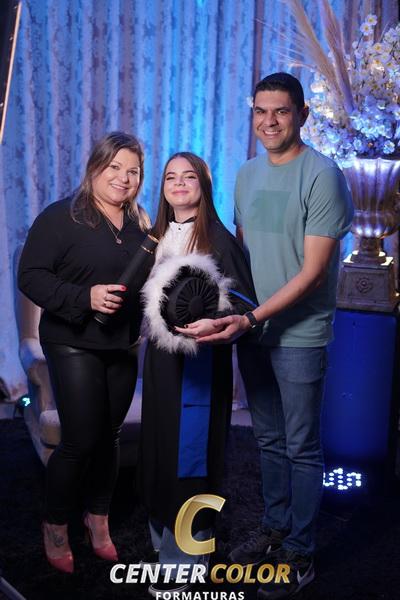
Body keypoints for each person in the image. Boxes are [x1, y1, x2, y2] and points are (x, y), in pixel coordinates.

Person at [193, 73, 354, 599]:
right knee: (268, 439)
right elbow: (241, 258)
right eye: (261, 111)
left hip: (299, 334)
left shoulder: (322, 176)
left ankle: (300, 553)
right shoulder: (245, 174)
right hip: (252, 327)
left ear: (302, 115)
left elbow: (312, 273)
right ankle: (276, 528)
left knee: (301, 446)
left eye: (281, 111)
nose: (269, 121)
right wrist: (224, 307)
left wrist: (253, 317)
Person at [18, 132, 152, 574]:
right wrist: (85, 297)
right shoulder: (60, 216)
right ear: (95, 166)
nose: (123, 178)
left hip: (123, 343)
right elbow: (31, 277)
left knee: (109, 436)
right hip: (71, 340)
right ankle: (56, 524)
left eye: (133, 171)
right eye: (114, 167)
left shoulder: (141, 224)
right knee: (79, 439)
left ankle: (98, 518)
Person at [139, 152, 257, 599]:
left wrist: (217, 321)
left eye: (189, 176)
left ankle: (187, 562)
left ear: (203, 186)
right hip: (159, 362)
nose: (179, 183)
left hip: (201, 363)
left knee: (192, 459)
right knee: (158, 451)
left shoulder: (219, 240)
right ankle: (162, 547)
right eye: (171, 177)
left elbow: (247, 303)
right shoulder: (153, 237)